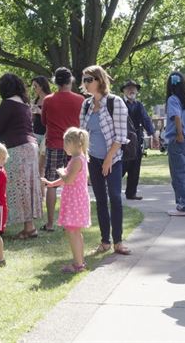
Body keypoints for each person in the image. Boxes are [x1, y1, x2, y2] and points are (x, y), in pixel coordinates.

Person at [80, 65, 131, 255]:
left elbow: (121, 136)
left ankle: (118, 242)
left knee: (115, 198)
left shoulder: (114, 102)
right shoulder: (85, 105)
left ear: (100, 80)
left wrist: (109, 158)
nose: (85, 84)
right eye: (84, 80)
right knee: (100, 200)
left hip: (114, 158)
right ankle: (105, 241)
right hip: (93, 159)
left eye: (89, 80)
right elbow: (82, 134)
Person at [0, 73, 42, 239]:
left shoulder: (8, 103)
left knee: (19, 188)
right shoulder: (23, 103)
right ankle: (29, 226)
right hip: (31, 146)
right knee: (28, 187)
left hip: (17, 148)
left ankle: (29, 227)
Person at [41, 67, 84, 231]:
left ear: (55, 81)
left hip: (55, 144)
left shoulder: (48, 100)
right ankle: (72, 221)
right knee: (74, 182)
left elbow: (44, 121)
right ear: (71, 80)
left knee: (51, 184)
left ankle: (50, 223)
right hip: (75, 147)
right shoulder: (80, 100)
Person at [42, 127, 91, 273]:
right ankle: (80, 261)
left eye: (66, 144)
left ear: (76, 144)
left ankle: (78, 264)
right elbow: (68, 179)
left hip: (75, 201)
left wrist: (61, 172)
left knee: (72, 232)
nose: (64, 147)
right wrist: (52, 183)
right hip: (76, 200)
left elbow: (68, 180)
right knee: (75, 231)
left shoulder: (76, 160)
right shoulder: (78, 158)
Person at [163, 71, 185, 216]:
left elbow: (176, 116)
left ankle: (183, 206)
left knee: (178, 174)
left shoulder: (173, 99)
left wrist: (179, 133)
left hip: (178, 140)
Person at [120, 80, 155, 200]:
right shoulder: (119, 103)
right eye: (129, 88)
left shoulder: (139, 105)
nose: (132, 90)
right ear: (124, 90)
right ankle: (110, 189)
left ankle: (131, 193)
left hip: (137, 140)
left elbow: (146, 119)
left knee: (135, 167)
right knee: (121, 167)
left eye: (134, 88)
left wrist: (153, 133)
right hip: (122, 139)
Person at [31, 76, 50, 178]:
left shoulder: (50, 98)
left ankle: (45, 183)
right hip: (36, 133)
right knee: (37, 163)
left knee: (45, 163)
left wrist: (40, 111)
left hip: (47, 134)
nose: (34, 89)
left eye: (35, 86)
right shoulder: (35, 100)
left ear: (42, 86)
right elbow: (33, 119)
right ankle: (40, 183)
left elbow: (53, 117)